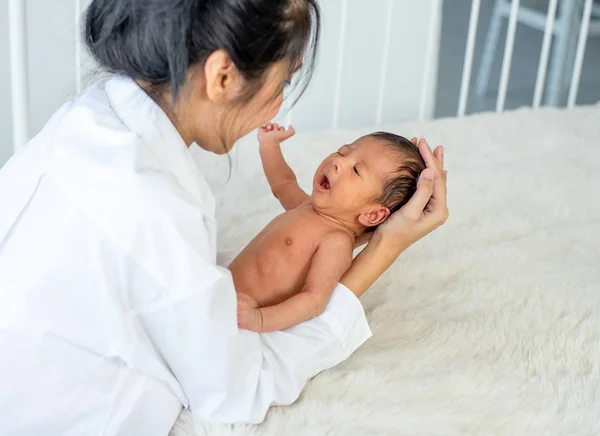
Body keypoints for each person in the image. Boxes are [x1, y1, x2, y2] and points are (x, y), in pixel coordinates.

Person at [0, 0, 448, 435]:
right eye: (283, 85)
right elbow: (234, 392)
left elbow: (310, 296)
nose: (277, 105)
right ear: (222, 76)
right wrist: (385, 246)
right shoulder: (160, 207)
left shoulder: (85, 116)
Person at [233, 124, 425, 332]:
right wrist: (269, 145)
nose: (338, 162)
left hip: (244, 313)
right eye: (342, 152)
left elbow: (314, 300)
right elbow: (283, 183)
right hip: (222, 286)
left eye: (356, 170)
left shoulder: (336, 242)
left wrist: (259, 319)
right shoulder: (307, 206)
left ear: (373, 214)